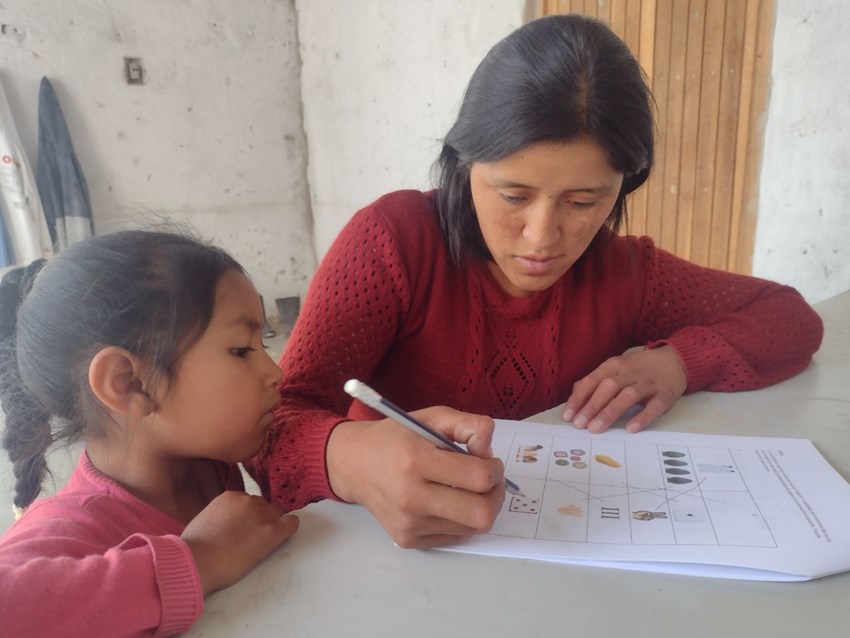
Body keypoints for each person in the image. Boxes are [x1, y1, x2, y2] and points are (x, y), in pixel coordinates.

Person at [246, 14, 824, 549]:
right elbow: (270, 424)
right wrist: (348, 459)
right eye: (513, 196)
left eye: (583, 201)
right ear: (464, 164)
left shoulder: (625, 273)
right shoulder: (395, 244)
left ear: (624, 186)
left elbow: (788, 318)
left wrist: (677, 363)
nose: (542, 237)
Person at [0, 230, 300, 637]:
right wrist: (199, 560)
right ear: (130, 383)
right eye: (241, 350)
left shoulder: (209, 465)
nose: (275, 372)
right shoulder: (70, 527)